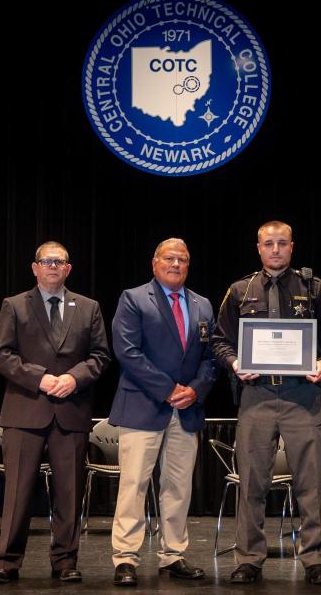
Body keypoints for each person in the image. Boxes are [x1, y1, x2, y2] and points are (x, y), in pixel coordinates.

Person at [211, 220, 321, 586]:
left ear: (292, 246)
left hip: (302, 396)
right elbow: (219, 340)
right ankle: (250, 559)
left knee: (309, 483)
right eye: (268, 243)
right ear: (258, 248)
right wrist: (236, 363)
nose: (275, 249)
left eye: (282, 243)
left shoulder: (314, 288)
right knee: (252, 483)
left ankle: (315, 559)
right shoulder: (240, 291)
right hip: (256, 397)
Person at [0, 241, 111, 585]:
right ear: (35, 267)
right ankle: (7, 562)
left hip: (71, 411)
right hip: (25, 409)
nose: (53, 266)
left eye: (60, 262)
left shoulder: (88, 307)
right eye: (47, 261)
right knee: (18, 493)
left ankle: (65, 561)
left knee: (69, 492)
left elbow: (100, 356)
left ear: (68, 269)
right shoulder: (14, 305)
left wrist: (74, 378)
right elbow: (2, 355)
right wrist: (40, 379)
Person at [108, 238, 217, 586]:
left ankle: (173, 555)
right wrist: (168, 389)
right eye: (169, 258)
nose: (176, 264)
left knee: (178, 487)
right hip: (143, 406)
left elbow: (211, 358)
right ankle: (125, 558)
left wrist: (195, 390)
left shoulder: (203, 304)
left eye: (183, 259)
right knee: (134, 485)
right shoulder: (134, 298)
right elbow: (127, 351)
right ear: (154, 263)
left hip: (186, 410)